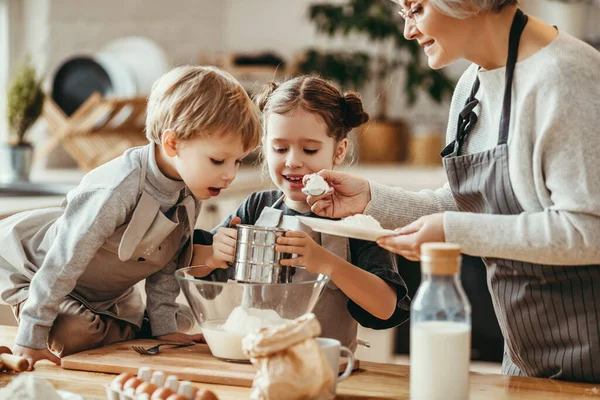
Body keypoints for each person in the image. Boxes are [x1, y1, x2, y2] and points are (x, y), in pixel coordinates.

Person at [305, 0, 600, 382]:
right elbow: (463, 203)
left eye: (417, 9)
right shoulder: (472, 86)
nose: (408, 30)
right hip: (528, 357)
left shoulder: (566, 78)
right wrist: (370, 199)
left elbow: (587, 230)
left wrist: (452, 232)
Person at [0, 65, 262, 369]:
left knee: (182, 319)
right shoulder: (119, 188)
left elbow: (166, 264)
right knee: (76, 333)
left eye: (237, 162)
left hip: (102, 295)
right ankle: (111, 325)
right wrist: (30, 337)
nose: (229, 174)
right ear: (172, 143)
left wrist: (165, 330)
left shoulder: (191, 189)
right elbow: (64, 260)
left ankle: (126, 325)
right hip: (34, 270)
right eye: (218, 160)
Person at [192, 76, 410, 351]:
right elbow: (194, 271)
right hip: (255, 362)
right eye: (280, 148)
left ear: (339, 150)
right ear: (264, 147)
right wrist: (213, 256)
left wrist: (325, 262)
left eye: (310, 149)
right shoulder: (255, 208)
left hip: (324, 369)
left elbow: (386, 308)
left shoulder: (356, 220)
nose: (293, 161)